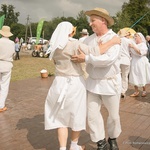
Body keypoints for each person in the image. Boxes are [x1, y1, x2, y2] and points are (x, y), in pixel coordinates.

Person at [44, 21, 120, 150]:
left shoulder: (54, 46)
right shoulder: (76, 44)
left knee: (61, 119)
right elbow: (96, 51)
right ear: (71, 32)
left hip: (58, 83)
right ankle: (74, 145)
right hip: (74, 83)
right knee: (77, 115)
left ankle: (63, 148)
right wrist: (111, 42)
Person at [71, 8, 122, 150]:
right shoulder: (88, 39)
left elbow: (108, 60)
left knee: (114, 116)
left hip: (110, 83)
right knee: (92, 115)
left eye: (93, 20)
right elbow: (80, 52)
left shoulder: (115, 39)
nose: (90, 24)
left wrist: (88, 58)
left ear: (103, 21)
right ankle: (100, 141)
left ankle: (112, 138)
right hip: (92, 82)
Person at [129, 32, 150, 97]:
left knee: (142, 75)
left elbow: (141, 53)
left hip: (141, 62)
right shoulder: (133, 44)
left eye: (136, 36)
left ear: (140, 37)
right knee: (134, 75)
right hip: (134, 61)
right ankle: (136, 91)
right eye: (134, 36)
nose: (135, 37)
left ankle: (144, 90)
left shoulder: (143, 44)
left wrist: (133, 47)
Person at [0, 26, 15, 112]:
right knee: (4, 85)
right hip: (7, 64)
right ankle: (1, 105)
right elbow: (12, 53)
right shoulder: (12, 43)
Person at [118, 29, 132, 98]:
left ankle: (118, 89)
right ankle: (123, 90)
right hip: (126, 60)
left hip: (119, 60)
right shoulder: (129, 41)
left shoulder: (118, 40)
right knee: (125, 76)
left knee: (118, 75)